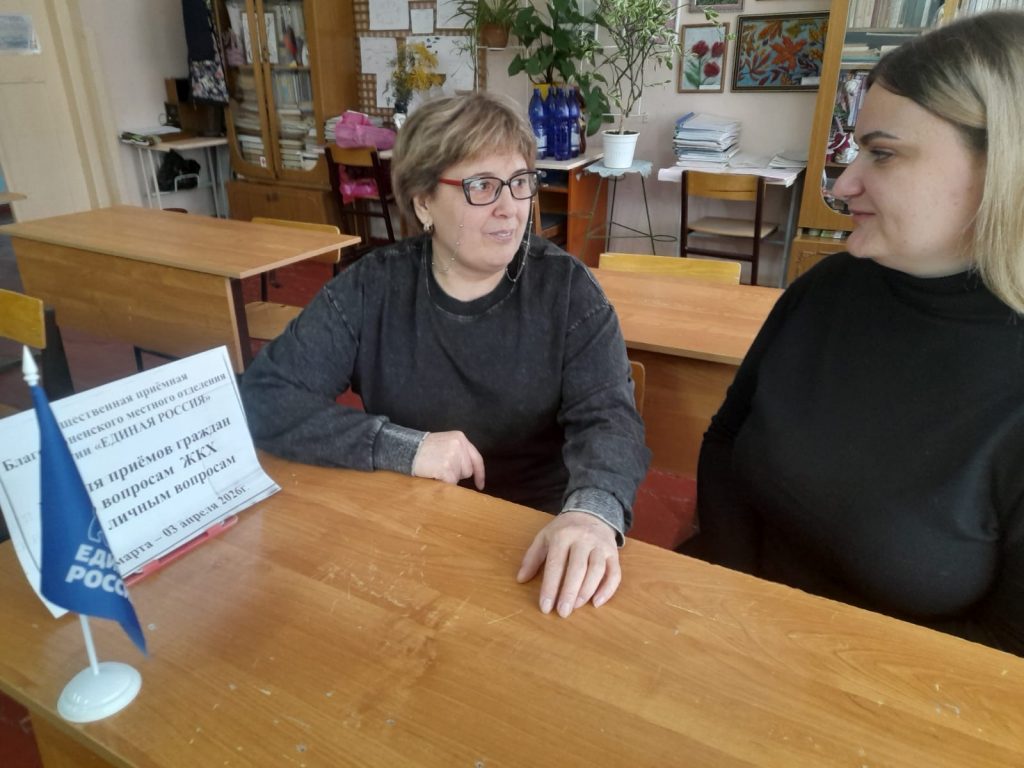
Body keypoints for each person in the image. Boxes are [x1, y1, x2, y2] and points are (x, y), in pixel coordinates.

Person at [681, 11, 1024, 655]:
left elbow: (1003, 658)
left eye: (883, 154)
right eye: (857, 149)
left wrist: (804, 659)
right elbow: (727, 438)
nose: (844, 185)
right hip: (724, 625)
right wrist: (732, 598)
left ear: (1005, 166)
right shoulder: (829, 288)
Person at [241, 92, 650, 618]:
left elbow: (610, 422)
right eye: (482, 186)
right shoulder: (373, 287)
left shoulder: (566, 290)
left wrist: (592, 513)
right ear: (423, 202)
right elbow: (266, 396)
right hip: (410, 526)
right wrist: (401, 446)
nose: (510, 208)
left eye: (519, 182)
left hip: (537, 535)